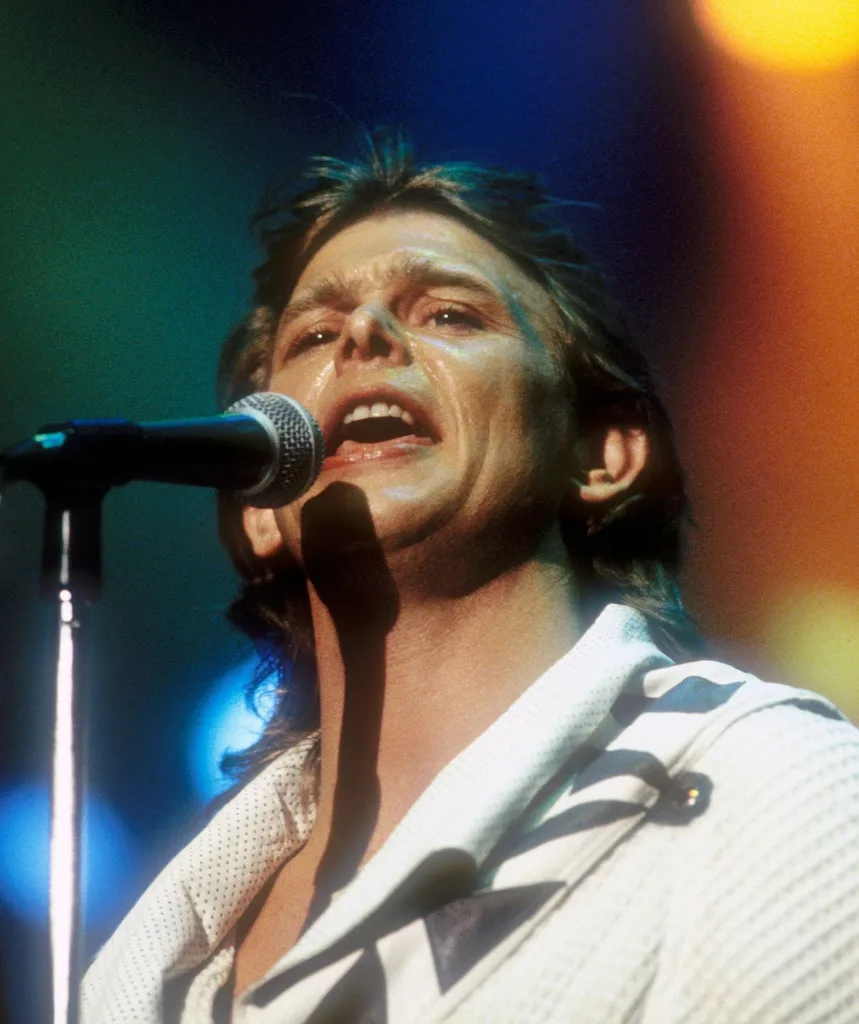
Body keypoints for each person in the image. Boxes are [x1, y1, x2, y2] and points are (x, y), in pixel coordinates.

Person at [82, 132, 859, 1023]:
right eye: (315, 334)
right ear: (258, 506)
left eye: (450, 315)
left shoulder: (765, 785)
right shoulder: (147, 963)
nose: (364, 334)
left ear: (599, 456)